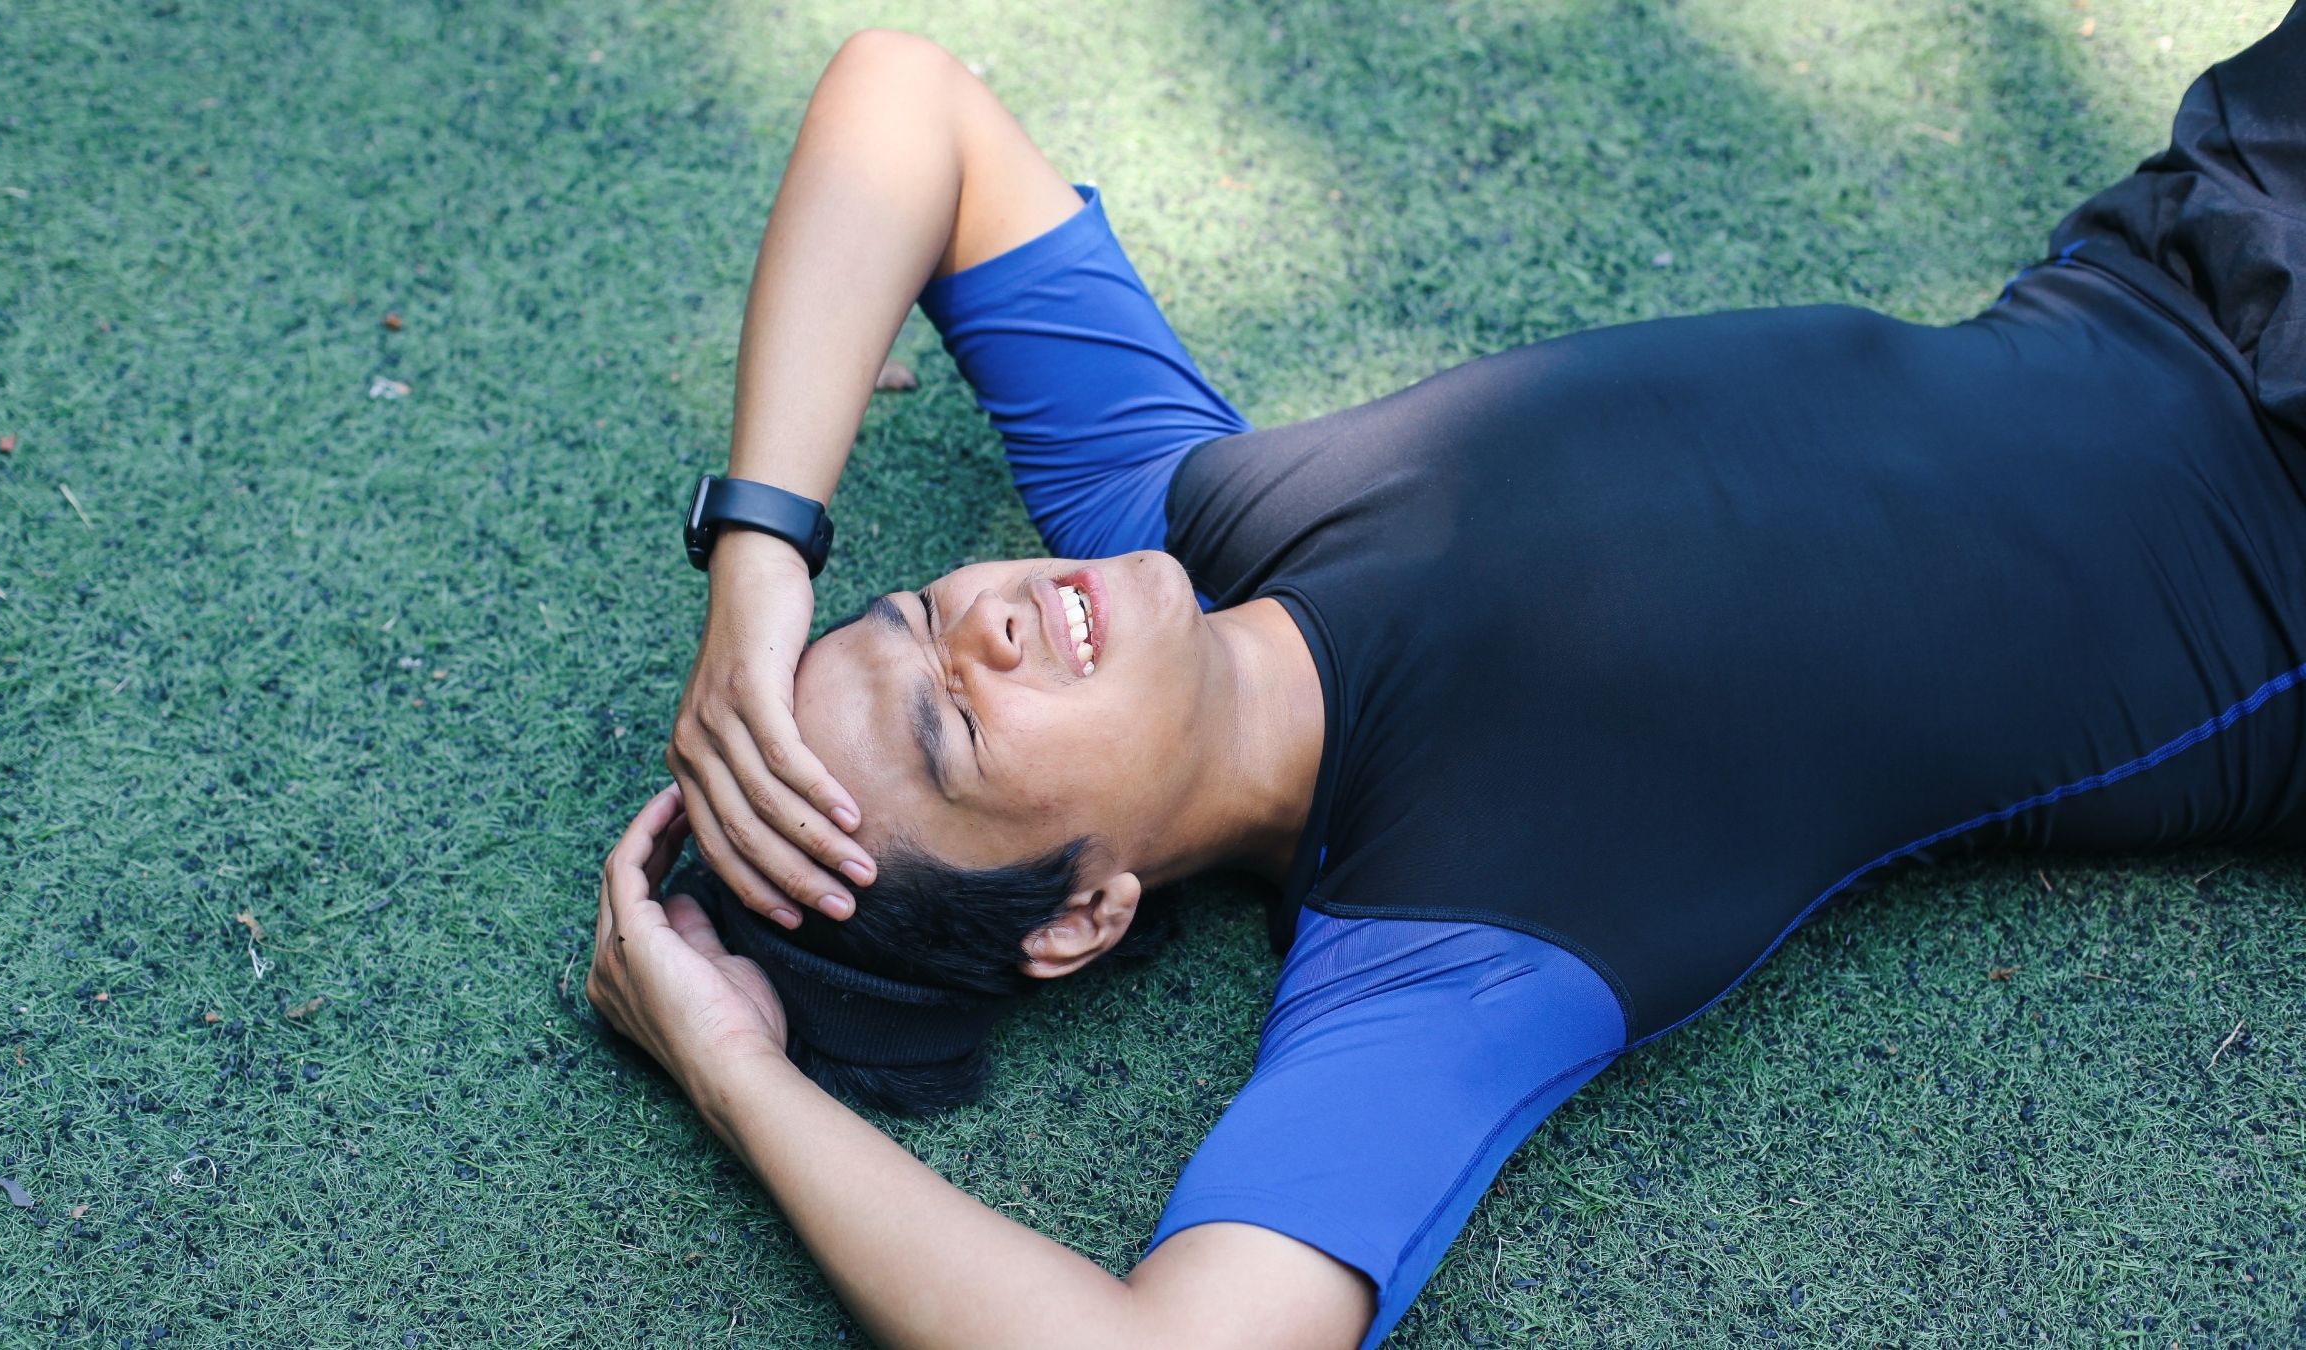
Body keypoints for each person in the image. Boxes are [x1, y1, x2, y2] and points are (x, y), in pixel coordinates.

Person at [585, 16, 2306, 1350]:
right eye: (958, 724)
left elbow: (906, 101)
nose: (985, 622)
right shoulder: (1436, 962)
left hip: (2203, 227)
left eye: (914, 609)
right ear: (1080, 915)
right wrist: (743, 1076)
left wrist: (762, 558)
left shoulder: (1171, 508)